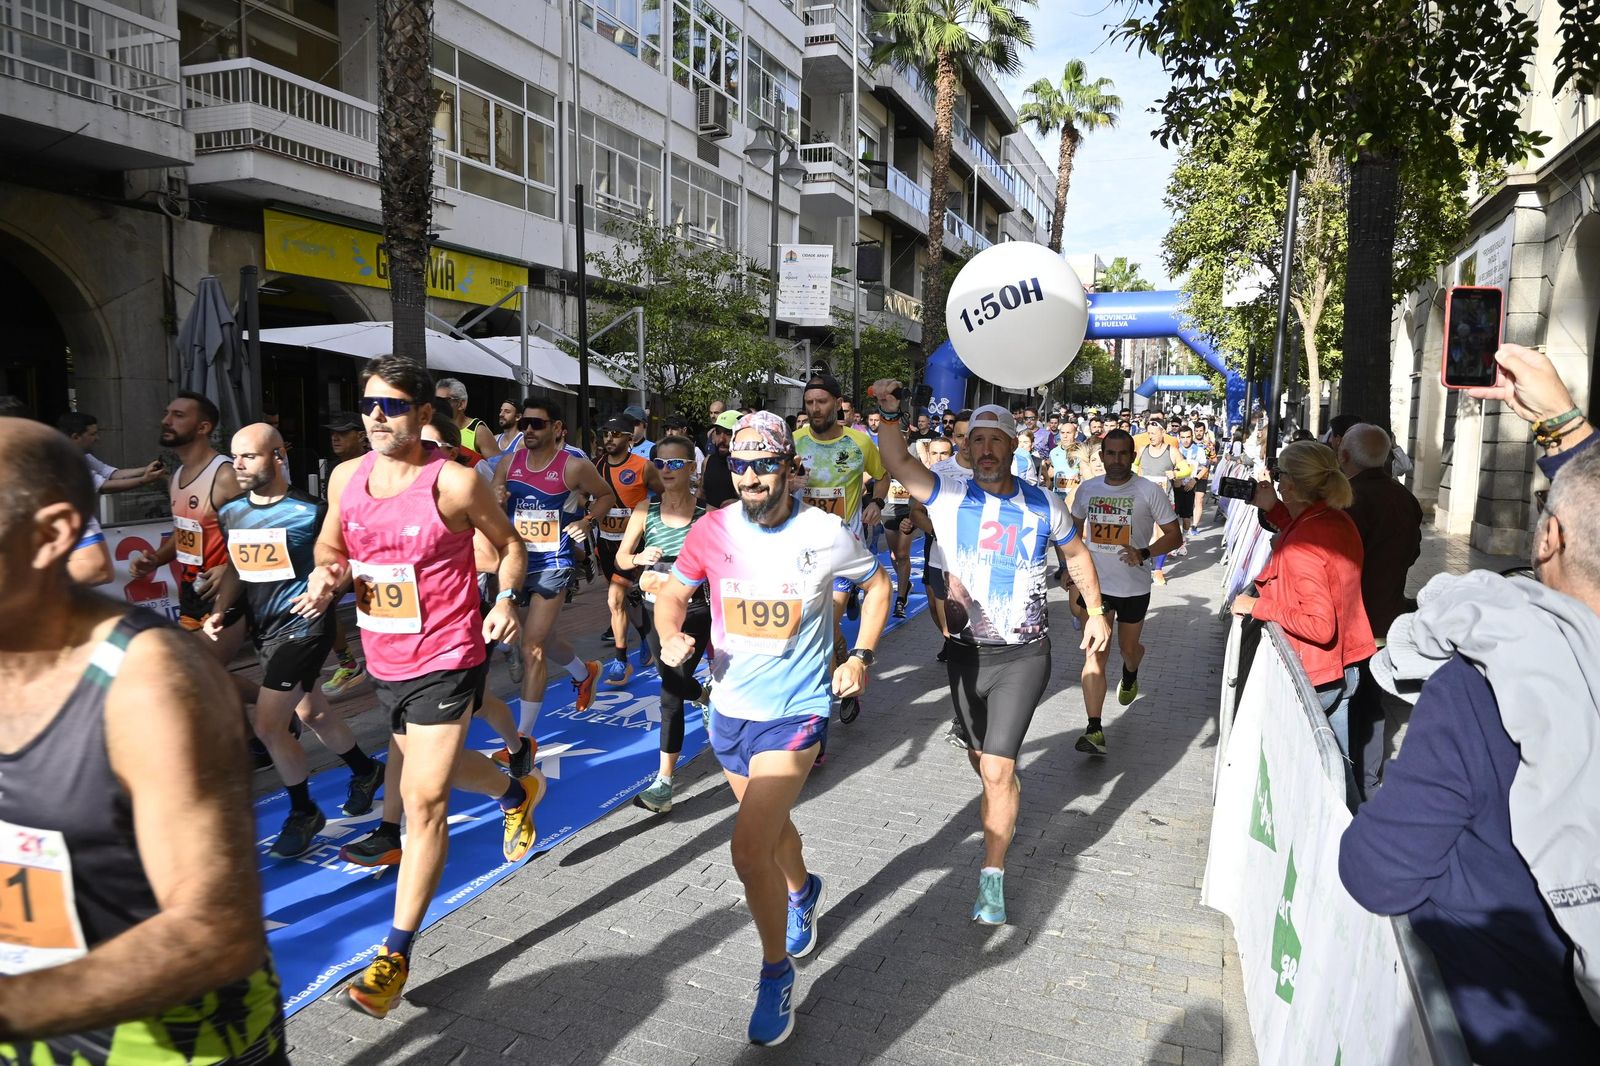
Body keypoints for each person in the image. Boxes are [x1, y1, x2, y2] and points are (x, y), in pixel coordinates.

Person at [0, 418, 287, 1064]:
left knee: (276, 712)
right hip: (35, 1042)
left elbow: (214, 932)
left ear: (47, 536)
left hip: (170, 1050)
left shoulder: (149, 683)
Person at [1338, 444, 1600, 1063]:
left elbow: (1378, 870)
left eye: (1541, 507)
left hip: (1516, 1033)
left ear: (1549, 538)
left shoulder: (1483, 682)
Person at [301, 357, 541, 1017]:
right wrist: (328, 575)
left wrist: (509, 598)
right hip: (386, 660)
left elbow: (510, 545)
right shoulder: (348, 478)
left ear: (423, 414)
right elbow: (331, 546)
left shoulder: (455, 484)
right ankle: (516, 788)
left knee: (423, 799)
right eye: (369, 404)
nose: (377, 416)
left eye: (393, 405)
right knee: (427, 779)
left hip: (448, 654)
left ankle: (394, 955)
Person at [653, 412, 891, 1045]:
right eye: (739, 463)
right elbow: (672, 594)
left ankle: (774, 972)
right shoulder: (712, 528)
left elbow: (878, 585)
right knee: (773, 827)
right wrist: (672, 634)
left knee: (745, 847)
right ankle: (803, 888)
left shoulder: (825, 531)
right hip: (728, 709)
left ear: (790, 465)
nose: (751, 475)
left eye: (764, 462)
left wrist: (861, 657)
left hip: (797, 711)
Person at [874, 387, 1110, 925]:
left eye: (995, 441)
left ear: (1011, 447)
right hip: (964, 654)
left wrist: (1095, 610)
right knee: (984, 763)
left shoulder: (1043, 502)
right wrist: (892, 411)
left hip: (1024, 654)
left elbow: (1076, 553)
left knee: (999, 771)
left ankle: (992, 875)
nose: (984, 449)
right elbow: (895, 458)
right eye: (976, 440)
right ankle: (992, 770)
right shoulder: (947, 495)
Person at [205, 423, 383, 857]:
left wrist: (327, 590)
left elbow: (348, 561)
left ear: (278, 456)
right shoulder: (230, 512)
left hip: (305, 629)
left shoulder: (311, 511)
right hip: (265, 631)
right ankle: (366, 771)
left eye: (249, 456)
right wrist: (222, 611)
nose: (239, 465)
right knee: (313, 713)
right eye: (235, 456)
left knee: (268, 724)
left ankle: (304, 811)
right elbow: (234, 567)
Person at [1230, 440, 1376, 803]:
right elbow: (1304, 532)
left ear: (1291, 484)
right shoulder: (1334, 519)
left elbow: (1319, 624)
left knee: (1315, 784)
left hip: (1314, 674)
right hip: (1344, 666)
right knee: (1338, 775)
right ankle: (1356, 841)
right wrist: (1276, 510)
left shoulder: (1305, 542)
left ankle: (1344, 845)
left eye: (1278, 475)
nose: (1275, 481)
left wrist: (1256, 606)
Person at [493, 399, 611, 756]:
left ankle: (522, 740)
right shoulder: (509, 463)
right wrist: (496, 498)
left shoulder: (573, 468)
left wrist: (586, 521)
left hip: (553, 562)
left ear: (557, 428)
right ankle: (584, 671)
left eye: (537, 424)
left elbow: (605, 496)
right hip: (515, 562)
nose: (528, 430)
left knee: (533, 647)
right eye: (525, 424)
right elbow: (494, 504)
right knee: (544, 638)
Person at [127, 394, 256, 706]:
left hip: (227, 591)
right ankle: (254, 739)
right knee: (200, 677)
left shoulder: (225, 475)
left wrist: (229, 567)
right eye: (167, 413)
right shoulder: (178, 477)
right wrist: (156, 558)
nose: (166, 421)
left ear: (203, 427)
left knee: (196, 672)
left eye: (178, 415)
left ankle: (275, 705)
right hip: (192, 592)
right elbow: (185, 532)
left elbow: (261, 532)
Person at [1070, 430, 1183, 756]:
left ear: (1132, 456)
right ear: (1102, 455)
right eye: (1111, 454)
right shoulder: (1088, 489)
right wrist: (1071, 570)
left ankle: (1131, 671)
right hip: (1098, 589)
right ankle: (1094, 729)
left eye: (1123, 454)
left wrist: (1144, 553)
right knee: (1095, 655)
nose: (1116, 460)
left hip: (1134, 588)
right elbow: (1074, 531)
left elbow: (1174, 536)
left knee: (1128, 649)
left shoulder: (1149, 491)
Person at [616, 435, 712, 813]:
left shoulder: (707, 516)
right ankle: (703, 695)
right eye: (660, 462)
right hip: (658, 611)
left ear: (692, 468)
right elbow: (622, 559)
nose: (666, 470)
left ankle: (664, 783)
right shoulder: (645, 510)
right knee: (671, 679)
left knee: (670, 694)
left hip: (697, 611)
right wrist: (640, 557)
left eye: (675, 463)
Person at [792, 374, 885, 726]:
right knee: (822, 627)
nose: (815, 409)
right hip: (803, 552)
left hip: (845, 549)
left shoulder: (860, 443)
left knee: (826, 624)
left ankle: (832, 695)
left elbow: (883, 474)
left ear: (837, 403)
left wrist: (875, 500)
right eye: (810, 403)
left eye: (822, 402)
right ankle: (844, 665)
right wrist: (789, 484)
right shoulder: (794, 441)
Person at [1339, 423, 1423, 799]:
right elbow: (1412, 553)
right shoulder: (1404, 498)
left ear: (1344, 456)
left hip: (1352, 621)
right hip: (1385, 617)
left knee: (1353, 705)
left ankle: (1353, 784)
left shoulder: (1350, 499)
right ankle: (1367, 780)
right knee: (1370, 703)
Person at [595, 414, 665, 685]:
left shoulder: (642, 466)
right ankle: (647, 635)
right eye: (606, 434)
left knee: (615, 599)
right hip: (606, 544)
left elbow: (663, 495)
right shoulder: (595, 466)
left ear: (628, 437)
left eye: (615, 434)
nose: (609, 439)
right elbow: (583, 495)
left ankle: (620, 661)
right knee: (628, 599)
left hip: (634, 543)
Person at [319, 411, 370, 697]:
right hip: (349, 555)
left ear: (361, 436)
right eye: (332, 433)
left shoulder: (373, 466)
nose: (334, 438)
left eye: (342, 432)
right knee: (324, 603)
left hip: (375, 557)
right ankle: (349, 664)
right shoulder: (337, 470)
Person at [1131, 416, 1190, 583]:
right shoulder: (1142, 449)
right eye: (1149, 433)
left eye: (1154, 433)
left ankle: (1158, 570)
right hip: (1144, 498)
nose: (1151, 436)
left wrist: (1176, 474)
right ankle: (1144, 564)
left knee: (1163, 534)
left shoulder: (1171, 451)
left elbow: (1186, 469)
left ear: (1163, 432)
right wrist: (1136, 475)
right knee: (1143, 533)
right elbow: (1133, 466)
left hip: (1164, 498)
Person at [434, 377, 501, 459]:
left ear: (461, 404)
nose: (438, 405)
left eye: (445, 401)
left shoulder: (479, 431)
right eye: (436, 400)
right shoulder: (432, 429)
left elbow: (498, 467)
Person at [1174, 424, 1209, 537]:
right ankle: (1174, 541)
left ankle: (1183, 539)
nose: (1185, 440)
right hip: (1175, 486)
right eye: (1183, 437)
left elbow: (1205, 467)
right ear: (1179, 437)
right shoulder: (1175, 449)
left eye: (1188, 437)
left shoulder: (1199, 450)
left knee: (1186, 518)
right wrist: (1176, 478)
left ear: (1192, 436)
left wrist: (1195, 480)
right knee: (1172, 518)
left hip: (1189, 486)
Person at [701, 409, 739, 508]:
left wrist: (741, 504)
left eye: (729, 433)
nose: (722, 439)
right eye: (718, 432)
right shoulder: (708, 461)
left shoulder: (750, 466)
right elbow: (701, 492)